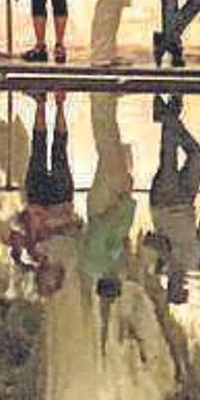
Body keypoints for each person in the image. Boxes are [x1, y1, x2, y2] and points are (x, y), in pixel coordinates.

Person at [145, 94, 200, 305]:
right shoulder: (195, 264)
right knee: (198, 156)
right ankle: (169, 114)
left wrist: (169, 260)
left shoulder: (160, 267)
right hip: (186, 203)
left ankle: (170, 111)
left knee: (168, 155)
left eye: (176, 289)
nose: (181, 285)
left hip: (165, 204)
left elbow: (148, 239)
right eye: (183, 289)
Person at [8, 90, 82, 296]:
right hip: (60, 199)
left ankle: (40, 102)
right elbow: (76, 225)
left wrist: (23, 232)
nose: (45, 278)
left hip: (37, 201)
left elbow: (15, 226)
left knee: (38, 150)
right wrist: (53, 221)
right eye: (49, 283)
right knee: (59, 152)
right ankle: (59, 104)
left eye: (42, 282)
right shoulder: (68, 257)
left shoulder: (30, 255)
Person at [82, 92, 137, 300]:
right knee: (111, 148)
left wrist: (122, 206)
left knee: (108, 148)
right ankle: (106, 103)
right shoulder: (104, 264)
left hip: (107, 204)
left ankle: (101, 101)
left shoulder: (97, 263)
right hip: (113, 203)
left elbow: (101, 228)